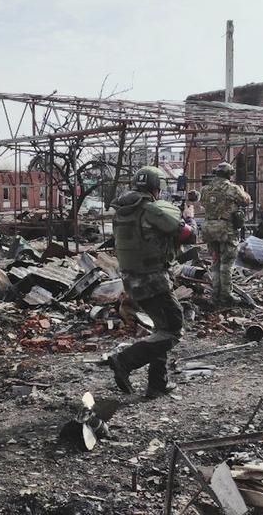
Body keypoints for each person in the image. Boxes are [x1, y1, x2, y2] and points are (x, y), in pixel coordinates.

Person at [107, 166, 195, 398]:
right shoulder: (152, 210)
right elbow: (188, 235)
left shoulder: (122, 211)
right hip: (153, 279)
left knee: (161, 328)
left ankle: (157, 383)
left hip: (131, 279)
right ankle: (124, 361)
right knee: (174, 329)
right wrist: (189, 218)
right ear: (157, 188)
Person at [200, 162, 251, 305]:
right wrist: (242, 190)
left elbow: (204, 204)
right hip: (226, 229)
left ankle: (215, 294)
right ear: (230, 174)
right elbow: (246, 201)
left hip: (209, 229)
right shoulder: (232, 188)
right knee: (226, 263)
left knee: (215, 262)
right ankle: (226, 295)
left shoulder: (205, 189)